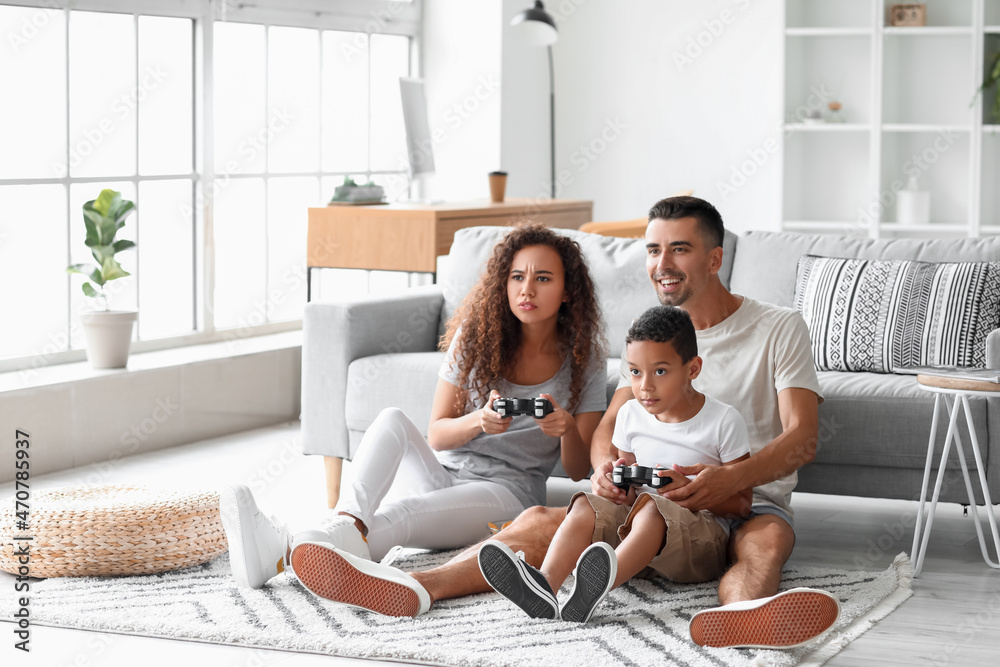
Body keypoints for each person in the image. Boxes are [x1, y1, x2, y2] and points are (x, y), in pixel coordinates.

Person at [303, 196, 840, 650]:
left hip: (744, 500)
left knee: (762, 542)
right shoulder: (651, 340)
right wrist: (607, 468)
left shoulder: (778, 327)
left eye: (680, 248)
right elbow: (611, 422)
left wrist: (727, 480)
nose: (662, 263)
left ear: (715, 257)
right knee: (540, 518)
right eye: (653, 249)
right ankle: (419, 586)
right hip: (644, 496)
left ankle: (740, 619)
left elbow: (803, 437)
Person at [219, 223, 608, 617]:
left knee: (402, 515)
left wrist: (565, 429)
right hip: (444, 470)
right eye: (517, 277)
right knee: (391, 419)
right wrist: (479, 422)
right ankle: (340, 525)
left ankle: (282, 549)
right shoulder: (477, 337)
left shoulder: (584, 359)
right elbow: (437, 435)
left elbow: (578, 469)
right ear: (503, 284)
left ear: (567, 290)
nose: (527, 290)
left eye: (543, 278)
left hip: (507, 493)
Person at [478, 305, 752, 623]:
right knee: (584, 504)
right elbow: (629, 492)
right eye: (635, 372)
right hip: (639, 540)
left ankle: (595, 587)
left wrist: (691, 491)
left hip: (700, 544)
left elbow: (743, 505)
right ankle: (544, 586)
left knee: (652, 507)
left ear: (692, 369)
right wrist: (615, 485)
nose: (645, 386)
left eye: (660, 371)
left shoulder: (723, 421)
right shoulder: (630, 414)